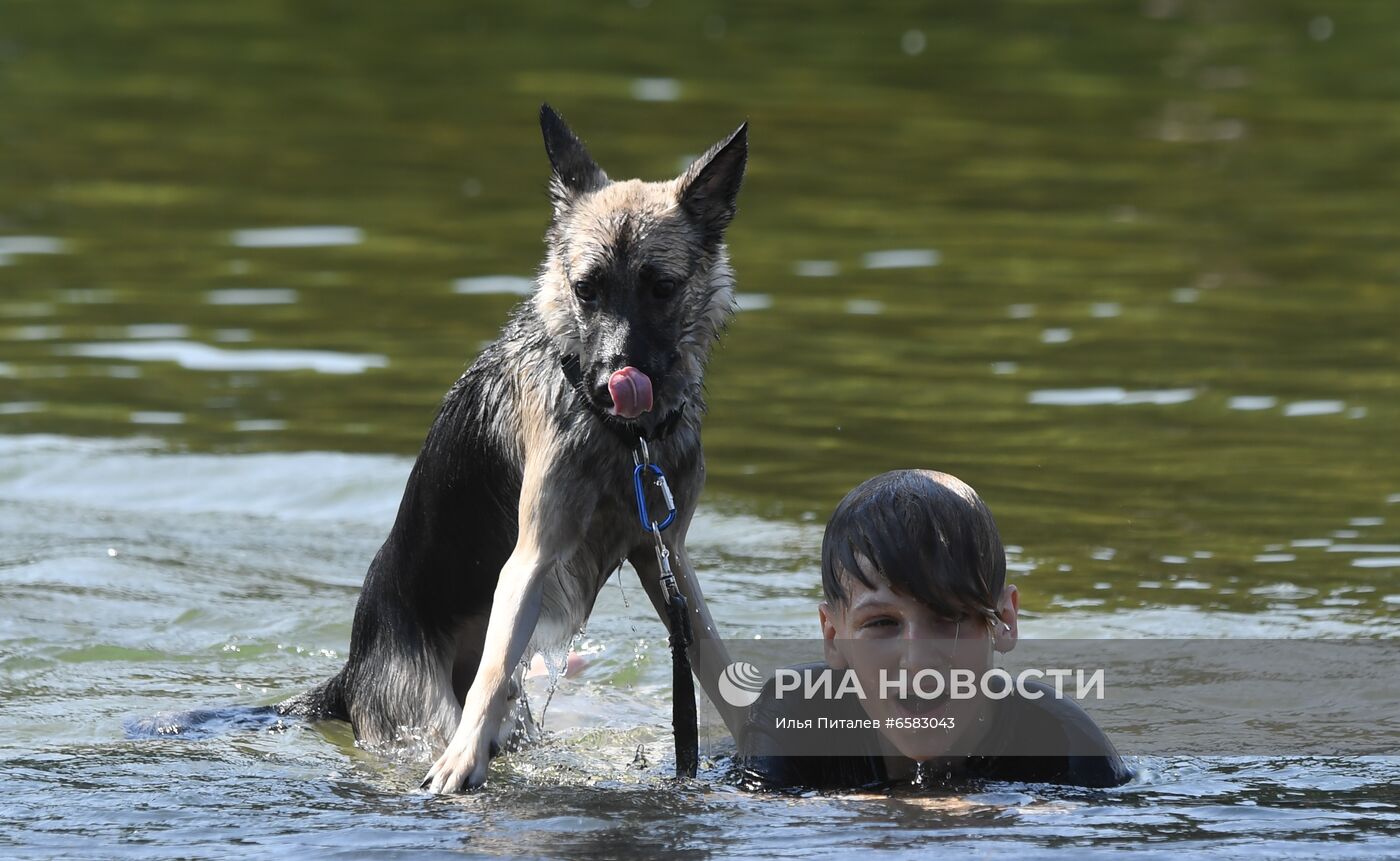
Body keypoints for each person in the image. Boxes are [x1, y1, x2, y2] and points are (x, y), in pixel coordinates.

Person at [731, 469, 1131, 790]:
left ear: (1005, 622)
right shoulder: (796, 717)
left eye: (949, 618)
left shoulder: (1063, 744)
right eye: (882, 623)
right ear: (834, 637)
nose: (918, 662)